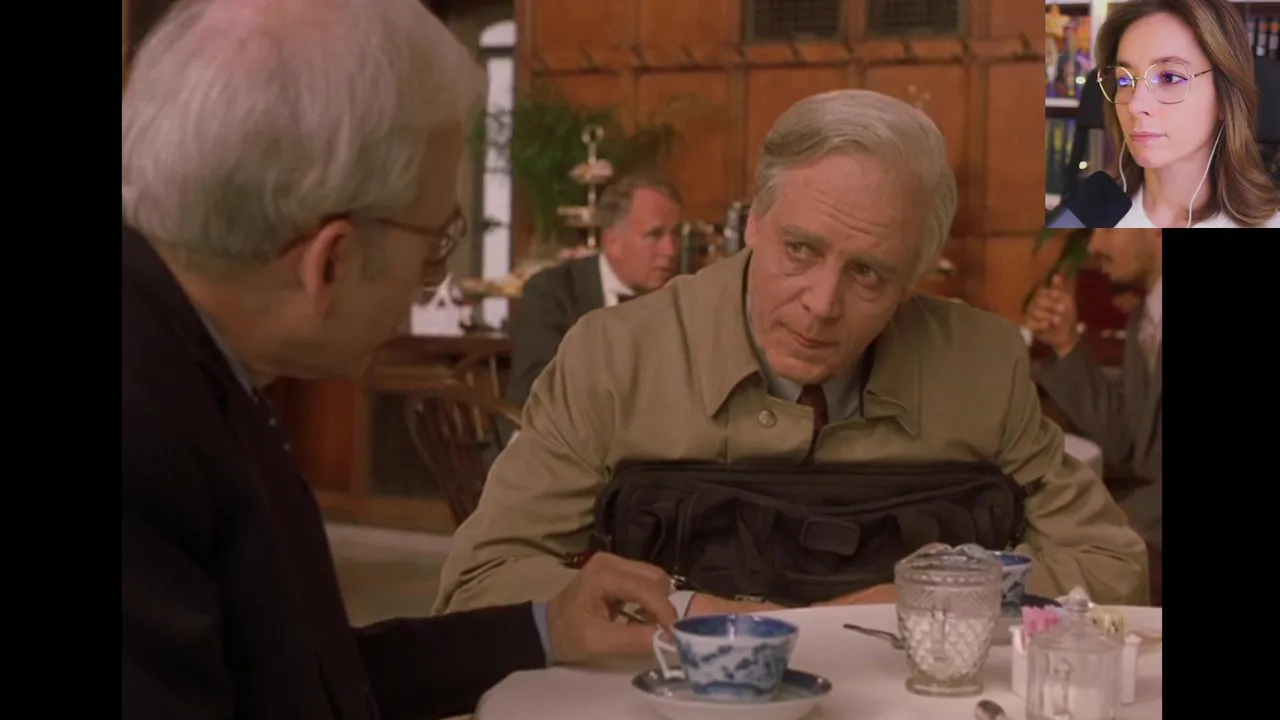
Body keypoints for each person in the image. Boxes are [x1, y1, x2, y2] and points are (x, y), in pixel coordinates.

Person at [121, 2, 676, 719]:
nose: (433, 279)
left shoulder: (190, 356)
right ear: (332, 261)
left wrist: (549, 626)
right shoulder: (142, 433)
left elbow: (300, 674)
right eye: (436, 243)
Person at [434, 89, 1149, 620]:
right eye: (800, 249)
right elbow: (478, 580)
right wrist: (691, 614)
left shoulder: (982, 362)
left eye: (868, 273)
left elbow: (1113, 564)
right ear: (755, 220)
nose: (822, 304)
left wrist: (922, 597)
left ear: (914, 280)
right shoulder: (613, 357)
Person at [1025, 229, 1162, 601]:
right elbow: (1127, 444)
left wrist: (1119, 523)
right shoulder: (1145, 318)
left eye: (1107, 227)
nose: (1094, 245)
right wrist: (1067, 344)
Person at [1095, 0, 1280, 228]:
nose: (1134, 105)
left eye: (1169, 78)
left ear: (1225, 97)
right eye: (1124, 80)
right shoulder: (1085, 220)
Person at [505, 174, 683, 411]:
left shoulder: (685, 295)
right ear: (613, 242)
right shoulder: (553, 291)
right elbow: (535, 387)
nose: (671, 250)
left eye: (676, 234)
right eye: (655, 235)